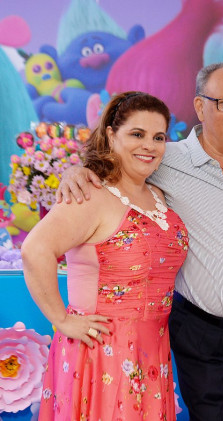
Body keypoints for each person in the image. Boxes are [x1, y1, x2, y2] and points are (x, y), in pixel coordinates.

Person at [56, 63, 223, 421]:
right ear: (200, 106)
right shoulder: (164, 158)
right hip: (204, 334)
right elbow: (114, 169)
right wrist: (77, 171)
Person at [22, 91, 189, 420]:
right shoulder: (90, 193)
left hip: (153, 351)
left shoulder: (157, 194)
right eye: (137, 134)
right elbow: (34, 250)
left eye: (158, 137)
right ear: (111, 136)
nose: (149, 145)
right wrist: (62, 320)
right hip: (100, 354)